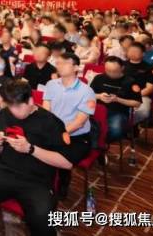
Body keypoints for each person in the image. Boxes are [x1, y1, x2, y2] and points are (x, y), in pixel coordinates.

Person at [0, 79, 72, 236]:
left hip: (36, 180)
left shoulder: (51, 122)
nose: (14, 111)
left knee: (43, 222)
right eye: (11, 106)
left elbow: (67, 163)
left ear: (30, 100)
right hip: (4, 172)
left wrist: (31, 149)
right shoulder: (4, 114)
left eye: (18, 106)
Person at [42, 52, 95, 197]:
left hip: (76, 137)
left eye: (65, 63)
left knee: (59, 155)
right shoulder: (51, 84)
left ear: (76, 67)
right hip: (53, 131)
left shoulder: (87, 91)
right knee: (33, 149)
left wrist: (57, 134)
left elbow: (79, 123)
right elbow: (46, 110)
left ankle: (63, 181)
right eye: (58, 63)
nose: (60, 66)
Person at [90, 57, 142, 142]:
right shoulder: (99, 78)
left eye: (114, 71)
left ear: (122, 68)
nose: (111, 73)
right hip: (97, 110)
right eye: (108, 70)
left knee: (115, 131)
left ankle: (99, 143)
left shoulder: (130, 81)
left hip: (118, 112)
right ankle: (95, 142)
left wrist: (117, 99)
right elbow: (88, 95)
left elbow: (137, 103)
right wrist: (99, 96)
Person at [124, 42, 153, 124]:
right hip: (122, 94)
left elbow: (149, 88)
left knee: (143, 111)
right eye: (130, 51)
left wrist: (135, 95)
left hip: (141, 95)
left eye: (136, 51)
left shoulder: (149, 68)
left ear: (143, 54)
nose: (132, 53)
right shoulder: (122, 65)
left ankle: (129, 125)